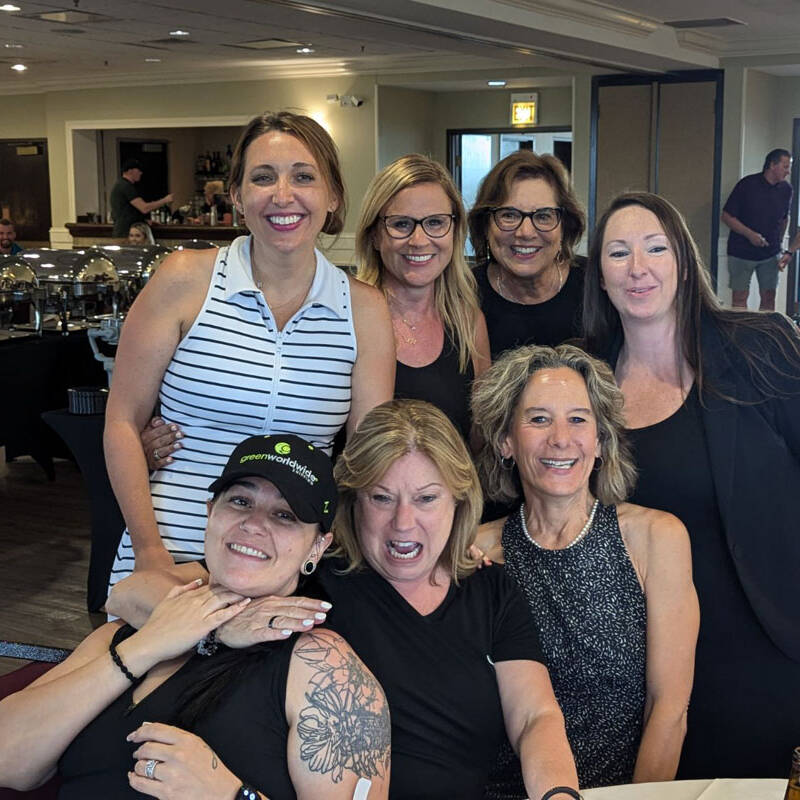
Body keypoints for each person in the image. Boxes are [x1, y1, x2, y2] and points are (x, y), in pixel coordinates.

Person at [108, 400, 581, 800]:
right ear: (353, 503)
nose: (403, 523)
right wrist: (220, 620)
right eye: (381, 498)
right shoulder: (316, 572)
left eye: (426, 499)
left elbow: (535, 717)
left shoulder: (491, 588)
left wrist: (559, 796)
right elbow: (129, 594)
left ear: (459, 502)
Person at [0, 433, 391, 799]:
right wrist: (150, 644)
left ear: (317, 547)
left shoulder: (324, 669)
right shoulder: (131, 633)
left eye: (285, 516)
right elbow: (8, 760)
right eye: (240, 501)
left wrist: (234, 795)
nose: (254, 524)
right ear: (210, 512)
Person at [104, 111, 394, 590]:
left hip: (289, 563)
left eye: (304, 176)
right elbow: (120, 422)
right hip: (171, 548)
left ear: (333, 195)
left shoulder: (363, 309)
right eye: (263, 177)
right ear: (237, 195)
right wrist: (150, 552)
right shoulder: (184, 279)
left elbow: (366, 458)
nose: (284, 195)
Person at [584, 191, 800, 779]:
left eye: (655, 248)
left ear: (682, 259)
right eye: (618, 253)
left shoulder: (763, 347)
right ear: (598, 276)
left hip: (765, 639)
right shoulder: (584, 384)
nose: (638, 268)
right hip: (641, 664)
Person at [471, 344, 698, 791]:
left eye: (578, 419)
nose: (560, 438)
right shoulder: (473, 550)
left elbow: (668, 709)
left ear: (600, 440)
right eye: (538, 419)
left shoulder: (656, 538)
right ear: (505, 441)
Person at [354, 154, 490, 440]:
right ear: (375, 236)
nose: (419, 240)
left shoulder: (469, 323)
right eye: (401, 224)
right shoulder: (349, 317)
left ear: (454, 231)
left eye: (436, 223)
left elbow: (478, 440)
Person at [467, 151, 586, 359]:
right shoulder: (463, 295)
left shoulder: (596, 287)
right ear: (485, 225)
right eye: (509, 215)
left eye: (543, 216)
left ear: (565, 226)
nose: (525, 233)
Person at [721, 147, 792, 310]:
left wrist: (780, 244)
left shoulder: (786, 190)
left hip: (770, 253)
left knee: (769, 298)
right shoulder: (747, 185)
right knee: (739, 298)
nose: (788, 172)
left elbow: (784, 219)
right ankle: (740, 334)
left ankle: (765, 334)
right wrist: (750, 235)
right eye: (785, 166)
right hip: (741, 252)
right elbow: (726, 216)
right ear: (772, 165)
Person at [110, 158, 174, 238]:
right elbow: (144, 208)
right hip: (128, 233)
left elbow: (128, 211)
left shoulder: (120, 185)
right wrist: (165, 200)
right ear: (130, 171)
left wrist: (144, 221)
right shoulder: (126, 187)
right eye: (138, 170)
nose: (141, 173)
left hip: (123, 231)